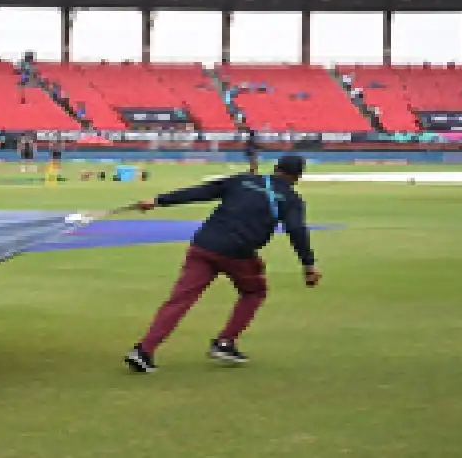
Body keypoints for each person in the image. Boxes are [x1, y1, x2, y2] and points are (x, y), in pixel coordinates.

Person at [123, 154, 321, 374]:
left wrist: (158, 200)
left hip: (204, 245)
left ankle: (144, 350)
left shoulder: (242, 180)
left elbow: (201, 192)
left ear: (275, 168)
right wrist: (308, 265)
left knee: (180, 299)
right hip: (238, 253)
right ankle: (225, 342)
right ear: (298, 177)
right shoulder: (292, 200)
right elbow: (296, 231)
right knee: (254, 292)